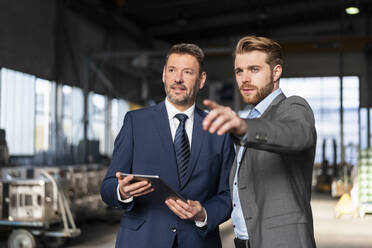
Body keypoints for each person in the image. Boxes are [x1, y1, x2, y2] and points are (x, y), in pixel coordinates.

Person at [100, 43, 235, 248]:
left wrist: (204, 213)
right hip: (142, 241)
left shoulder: (219, 130)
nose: (178, 79)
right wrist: (122, 191)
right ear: (164, 74)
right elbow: (108, 186)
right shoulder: (136, 122)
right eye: (172, 70)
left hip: (198, 242)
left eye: (187, 72)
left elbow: (228, 195)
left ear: (201, 80)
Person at [202, 36, 317, 248]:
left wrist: (245, 128)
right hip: (244, 242)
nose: (244, 78)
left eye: (254, 69)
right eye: (239, 71)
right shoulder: (248, 121)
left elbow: (297, 134)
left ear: (276, 72)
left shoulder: (292, 108)